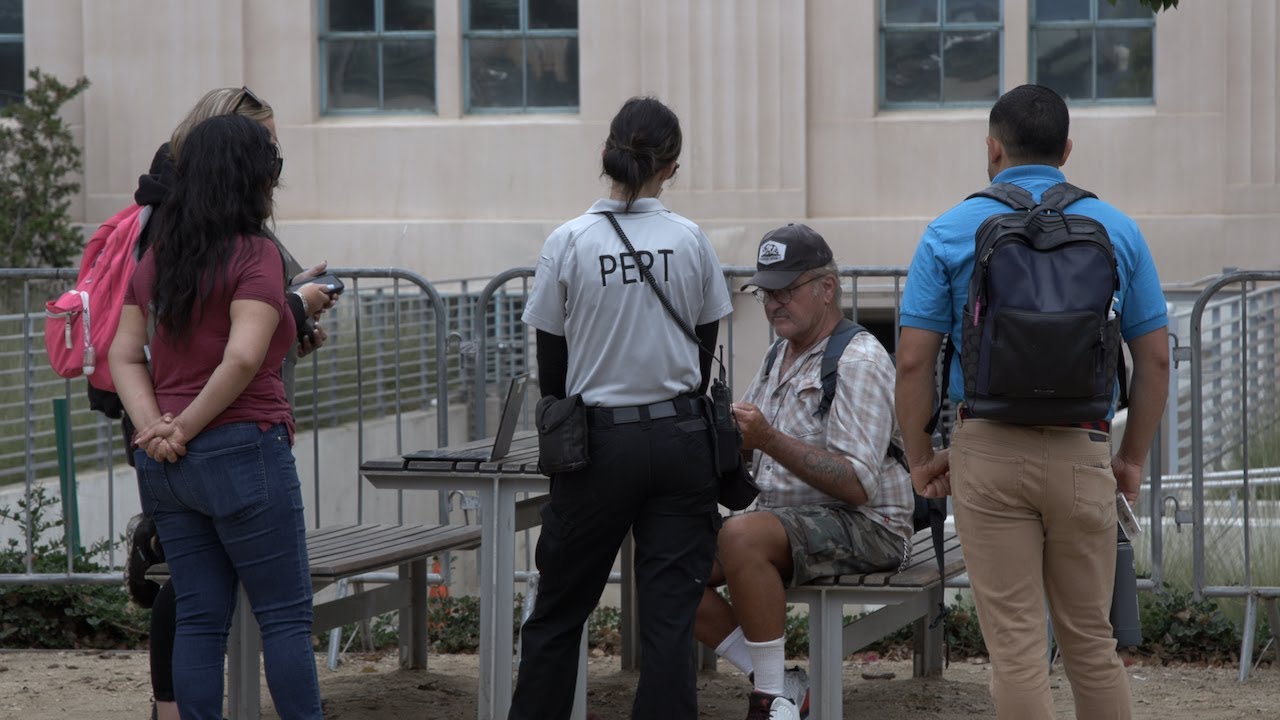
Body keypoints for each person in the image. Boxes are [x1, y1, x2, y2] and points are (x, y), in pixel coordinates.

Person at [895, 84, 1170, 720]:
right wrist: (1129, 460)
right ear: (1067, 149)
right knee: (1091, 644)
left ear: (992, 149)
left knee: (1017, 651)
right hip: (1083, 447)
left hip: (987, 449)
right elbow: (1153, 360)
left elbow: (913, 360)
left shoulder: (950, 230)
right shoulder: (1117, 229)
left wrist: (919, 457)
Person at [512, 96, 733, 720]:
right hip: (681, 444)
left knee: (558, 612)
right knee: (669, 619)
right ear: (672, 167)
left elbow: (551, 371)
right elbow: (702, 350)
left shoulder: (568, 241)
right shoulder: (690, 240)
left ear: (608, 152)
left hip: (598, 447)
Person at [120, 86, 337, 720]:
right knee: (286, 620)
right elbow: (242, 358)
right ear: (252, 180)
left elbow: (123, 353)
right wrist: (181, 426)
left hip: (169, 465)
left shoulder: (159, 257)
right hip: (245, 448)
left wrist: (155, 430)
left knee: (200, 621)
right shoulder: (257, 253)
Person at [694, 224, 915, 720]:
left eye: (787, 289)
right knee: (669, 557)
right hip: (785, 519)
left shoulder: (857, 358)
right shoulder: (780, 352)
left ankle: (769, 700)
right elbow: (750, 444)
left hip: (871, 526)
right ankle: (779, 680)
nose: (774, 303)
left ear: (827, 288)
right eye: (765, 292)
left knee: (742, 536)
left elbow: (859, 484)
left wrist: (768, 438)